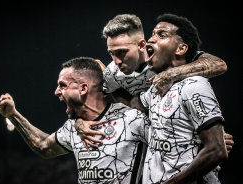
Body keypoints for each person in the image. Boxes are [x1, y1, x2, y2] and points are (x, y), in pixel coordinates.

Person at [75, 14, 233, 153]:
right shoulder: (111, 74)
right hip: (152, 136)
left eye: (122, 52)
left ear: (142, 45)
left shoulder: (164, 59)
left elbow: (219, 64)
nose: (116, 61)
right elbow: (87, 106)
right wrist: (79, 123)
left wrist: (171, 73)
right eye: (112, 53)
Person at [0, 57, 152, 184]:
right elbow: (43, 147)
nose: (56, 92)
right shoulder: (72, 126)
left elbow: (171, 153)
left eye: (62, 85)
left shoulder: (130, 118)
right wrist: (12, 115)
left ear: (83, 89)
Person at [135, 13, 227, 183]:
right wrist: (106, 83)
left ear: (181, 49)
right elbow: (133, 104)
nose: (151, 39)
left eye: (162, 35)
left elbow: (217, 150)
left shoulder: (194, 85)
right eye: (153, 34)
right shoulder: (157, 86)